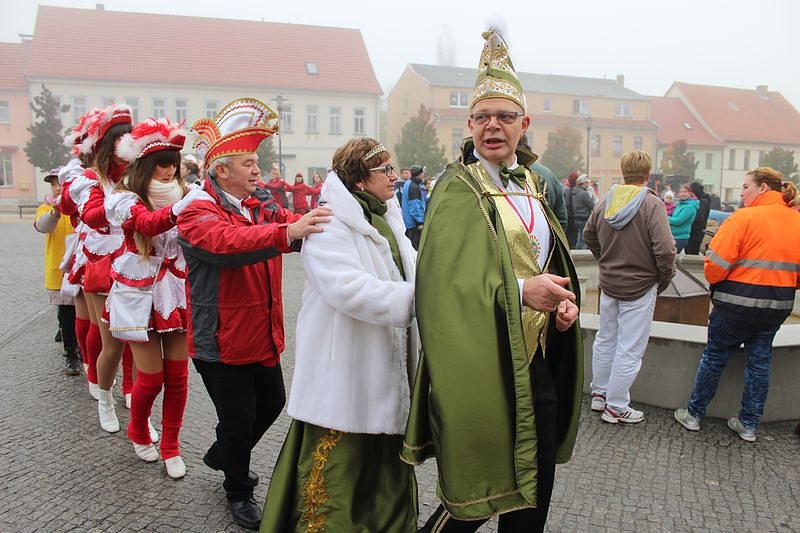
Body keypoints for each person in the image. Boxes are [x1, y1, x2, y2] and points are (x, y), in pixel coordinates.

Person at [402, 30, 582, 532]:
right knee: (481, 487)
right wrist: (525, 292)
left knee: (534, 489)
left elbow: (549, 258)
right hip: (484, 360)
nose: (492, 126)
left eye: (504, 117)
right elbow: (439, 285)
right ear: (469, 124)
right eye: (482, 117)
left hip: (538, 358)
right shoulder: (456, 187)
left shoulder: (532, 185)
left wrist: (562, 303)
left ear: (524, 124)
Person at [177, 98, 332, 530]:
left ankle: (223, 453)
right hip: (220, 340)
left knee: (273, 403)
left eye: (257, 162)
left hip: (262, 334)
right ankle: (238, 489)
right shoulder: (195, 210)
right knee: (239, 417)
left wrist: (328, 219)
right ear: (221, 170)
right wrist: (289, 232)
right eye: (249, 163)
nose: (258, 170)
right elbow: (227, 246)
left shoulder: (258, 203)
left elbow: (291, 220)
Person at [261, 138, 419, 532]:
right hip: (344, 369)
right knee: (334, 481)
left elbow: (417, 269)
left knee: (383, 470)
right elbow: (347, 289)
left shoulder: (388, 218)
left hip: (383, 364)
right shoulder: (328, 224)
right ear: (361, 180)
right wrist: (419, 301)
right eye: (385, 170)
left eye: (392, 167)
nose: (394, 177)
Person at [106, 117, 209, 479]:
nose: (169, 171)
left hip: (175, 292)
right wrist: (187, 205)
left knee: (179, 376)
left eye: (174, 163)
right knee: (150, 379)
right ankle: (137, 428)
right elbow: (148, 225)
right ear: (146, 165)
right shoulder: (122, 199)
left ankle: (171, 445)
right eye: (162, 163)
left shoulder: (186, 195)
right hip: (137, 294)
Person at [674, 168, 800, 442]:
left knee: (715, 357)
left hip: (734, 305)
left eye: (746, 187)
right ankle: (748, 424)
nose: (742, 193)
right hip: (776, 307)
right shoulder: (796, 221)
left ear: (763, 188)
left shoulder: (742, 218)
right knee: (759, 364)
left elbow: (715, 267)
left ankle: (694, 415)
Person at [583, 151, 676, 424]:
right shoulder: (651, 204)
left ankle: (599, 394)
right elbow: (666, 249)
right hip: (640, 285)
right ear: (648, 174)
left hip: (609, 283)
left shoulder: (605, 202)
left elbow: (589, 234)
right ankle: (617, 406)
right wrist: (664, 277)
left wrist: (605, 260)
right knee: (630, 348)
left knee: (606, 338)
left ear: (623, 172)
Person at [62, 104, 134, 432]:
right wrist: (123, 206)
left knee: (138, 336)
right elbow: (88, 215)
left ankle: (132, 389)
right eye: (119, 139)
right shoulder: (91, 179)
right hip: (102, 260)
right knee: (108, 338)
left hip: (138, 265)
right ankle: (102, 389)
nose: (126, 145)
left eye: (129, 138)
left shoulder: (139, 175)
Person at [34, 167, 81, 376]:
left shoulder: (82, 205)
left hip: (82, 269)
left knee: (83, 315)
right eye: (53, 184)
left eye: (60, 183)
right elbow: (43, 226)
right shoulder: (46, 208)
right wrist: (56, 210)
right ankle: (71, 354)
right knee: (66, 313)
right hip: (60, 271)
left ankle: (83, 349)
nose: (57, 187)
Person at [667, 183, 699, 253]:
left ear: (690, 193)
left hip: (680, 237)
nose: (683, 194)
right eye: (681, 192)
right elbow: (673, 217)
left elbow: (678, 221)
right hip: (673, 236)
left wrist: (664, 217)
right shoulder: (680, 204)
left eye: (685, 192)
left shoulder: (690, 207)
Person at [401, 164, 426, 249]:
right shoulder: (414, 187)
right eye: (421, 175)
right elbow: (414, 207)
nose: (423, 177)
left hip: (409, 223)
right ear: (417, 175)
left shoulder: (408, 183)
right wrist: (420, 222)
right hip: (414, 225)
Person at [685, 182, 711, 255]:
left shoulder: (703, 201)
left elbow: (699, 218)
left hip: (696, 232)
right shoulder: (703, 200)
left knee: (692, 252)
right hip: (697, 231)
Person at [570, 174, 595, 249]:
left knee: (579, 235)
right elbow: (592, 205)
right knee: (583, 238)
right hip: (584, 217)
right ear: (582, 183)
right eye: (586, 183)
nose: (588, 184)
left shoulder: (574, 191)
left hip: (576, 217)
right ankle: (580, 253)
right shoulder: (584, 194)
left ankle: (577, 249)